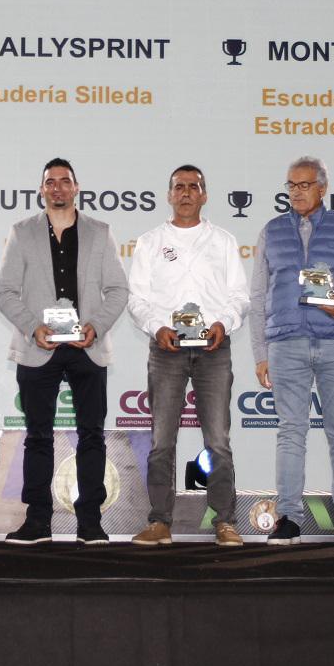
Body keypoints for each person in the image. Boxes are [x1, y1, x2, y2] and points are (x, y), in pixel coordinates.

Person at [0, 158, 129, 545]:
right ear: (42, 190)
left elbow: (118, 289)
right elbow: (5, 292)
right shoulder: (22, 233)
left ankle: (91, 523)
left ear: (76, 187)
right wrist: (31, 327)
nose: (57, 188)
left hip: (88, 347)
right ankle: (38, 522)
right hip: (39, 347)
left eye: (64, 181)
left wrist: (96, 326)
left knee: (92, 436)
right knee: (38, 436)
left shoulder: (100, 232)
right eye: (50, 182)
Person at [250, 156, 334, 547]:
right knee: (291, 432)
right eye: (291, 185)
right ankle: (288, 517)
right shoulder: (271, 231)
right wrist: (260, 352)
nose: (296, 192)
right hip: (285, 343)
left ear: (322, 188)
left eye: (304, 185)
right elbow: (258, 296)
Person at [126, 165, 250, 547]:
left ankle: (225, 522)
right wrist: (156, 327)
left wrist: (224, 324)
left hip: (213, 349)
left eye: (193, 187)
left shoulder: (223, 241)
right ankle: (159, 522)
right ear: (169, 195)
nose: (185, 192)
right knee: (162, 441)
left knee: (218, 441)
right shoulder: (150, 242)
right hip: (167, 349)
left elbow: (239, 297)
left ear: (204, 195)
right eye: (178, 186)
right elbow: (137, 299)